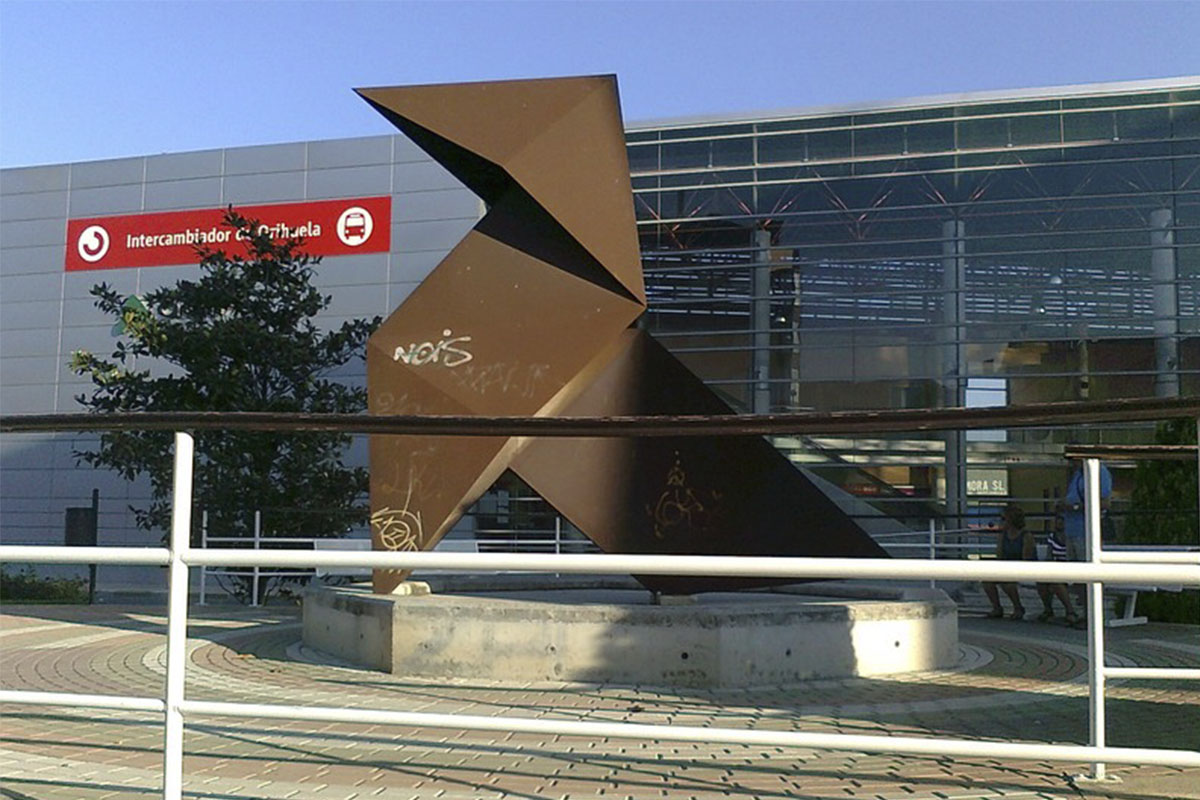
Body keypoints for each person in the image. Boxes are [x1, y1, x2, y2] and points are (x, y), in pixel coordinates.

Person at [1062, 461, 1113, 616]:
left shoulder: (1099, 471)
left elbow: (1105, 502)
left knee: (1088, 574)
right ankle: (1086, 613)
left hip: (1087, 532)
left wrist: (1075, 507)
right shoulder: (1078, 473)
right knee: (1077, 575)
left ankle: (1091, 615)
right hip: (1072, 531)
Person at [983, 503, 1035, 620]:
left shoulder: (1026, 536)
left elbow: (1026, 557)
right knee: (987, 581)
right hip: (1006, 566)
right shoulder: (1003, 536)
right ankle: (997, 607)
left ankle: (1018, 607)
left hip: (1024, 567)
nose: (1001, 522)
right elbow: (1000, 555)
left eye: (1003, 519)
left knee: (1008, 583)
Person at [1036, 514, 1079, 625]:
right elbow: (1049, 556)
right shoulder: (1052, 537)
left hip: (1070, 569)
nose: (1059, 522)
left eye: (1062, 520)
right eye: (1058, 520)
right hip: (1055, 568)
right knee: (1041, 581)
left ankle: (1070, 611)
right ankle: (1048, 609)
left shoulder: (1073, 537)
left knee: (1056, 582)